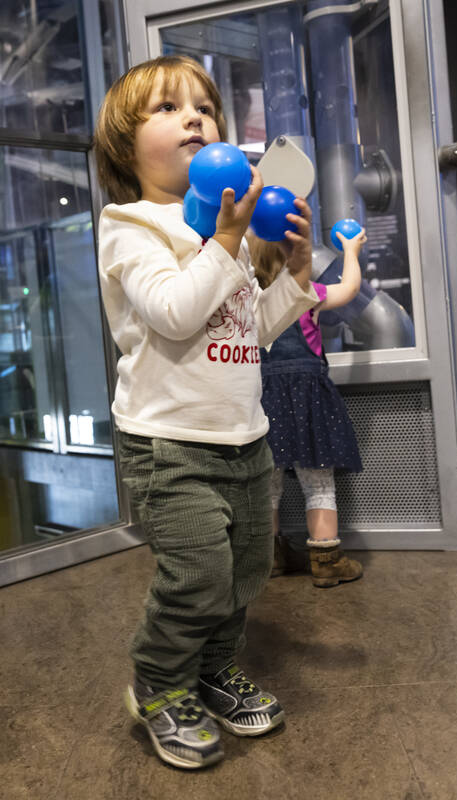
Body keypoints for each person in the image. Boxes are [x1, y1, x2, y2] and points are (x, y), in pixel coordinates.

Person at [93, 55, 327, 769]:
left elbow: (246, 331)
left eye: (204, 106)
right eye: (167, 109)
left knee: (245, 571)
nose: (195, 116)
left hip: (243, 438)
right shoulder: (130, 225)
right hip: (169, 445)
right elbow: (172, 312)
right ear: (125, 151)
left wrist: (294, 271)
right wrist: (227, 242)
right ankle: (161, 683)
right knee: (196, 574)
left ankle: (211, 668)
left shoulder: (225, 227)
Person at [250, 229, 366, 587]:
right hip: (308, 404)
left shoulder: (247, 303)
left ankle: (270, 558)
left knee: (267, 488)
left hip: (262, 406)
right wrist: (350, 249)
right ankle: (326, 562)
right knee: (318, 485)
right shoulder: (305, 294)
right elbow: (349, 290)